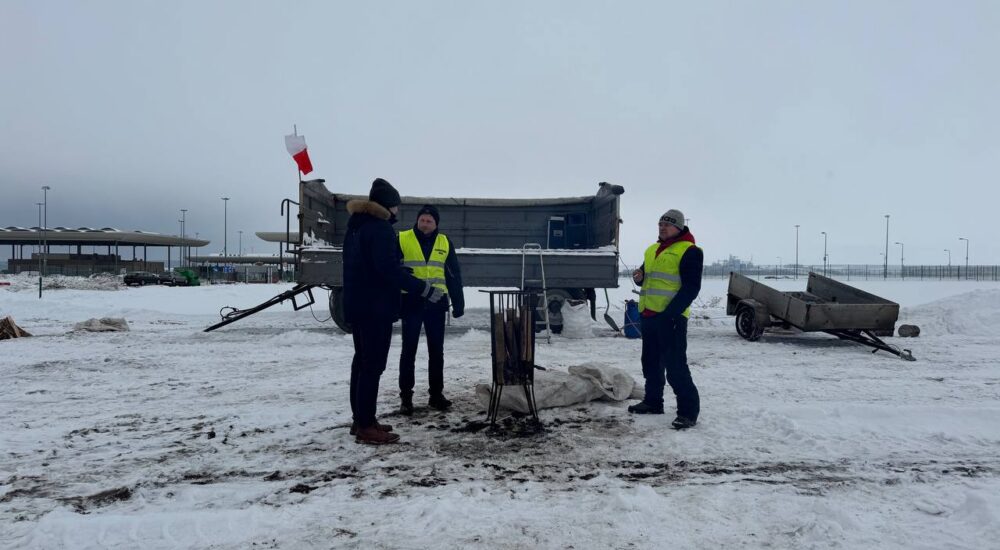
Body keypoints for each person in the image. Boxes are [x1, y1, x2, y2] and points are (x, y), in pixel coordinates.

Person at [343, 178, 444, 444]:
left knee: (361, 362)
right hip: (375, 308)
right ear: (388, 205)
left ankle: (360, 419)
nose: (398, 211)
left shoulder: (355, 226)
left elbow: (369, 266)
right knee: (372, 365)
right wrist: (423, 288)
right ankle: (366, 426)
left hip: (357, 303)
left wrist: (398, 271)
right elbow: (387, 271)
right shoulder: (381, 229)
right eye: (396, 206)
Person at [627, 209, 704, 430]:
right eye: (660, 224)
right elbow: (646, 278)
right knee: (650, 363)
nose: (662, 228)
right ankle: (653, 402)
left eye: (667, 225)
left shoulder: (690, 251)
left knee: (676, 366)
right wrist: (639, 277)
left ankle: (688, 412)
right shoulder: (652, 249)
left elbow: (691, 288)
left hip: (671, 318)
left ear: (679, 228)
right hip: (649, 315)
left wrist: (671, 314)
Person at [397, 204, 465, 414]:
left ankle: (436, 395)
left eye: (429, 221)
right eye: (422, 220)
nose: (425, 224)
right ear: (417, 220)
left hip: (437, 304)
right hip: (411, 303)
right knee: (409, 350)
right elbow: (389, 268)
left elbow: (453, 274)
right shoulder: (402, 238)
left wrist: (458, 301)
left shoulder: (445, 242)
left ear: (436, 224)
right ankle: (406, 397)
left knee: (437, 351)